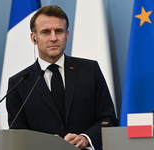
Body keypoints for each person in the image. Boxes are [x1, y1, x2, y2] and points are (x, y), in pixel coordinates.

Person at [6, 5, 118, 150]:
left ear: (67, 35)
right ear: (34, 38)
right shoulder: (19, 83)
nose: (53, 38)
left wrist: (85, 138)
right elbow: (18, 135)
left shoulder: (90, 70)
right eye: (45, 32)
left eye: (58, 31)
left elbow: (108, 120)